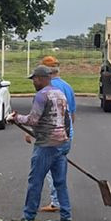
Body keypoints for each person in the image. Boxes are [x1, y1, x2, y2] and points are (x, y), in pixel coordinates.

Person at [12, 65, 72, 221]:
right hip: (61, 142)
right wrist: (65, 139)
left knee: (35, 181)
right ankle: (66, 216)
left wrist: (16, 118)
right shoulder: (60, 94)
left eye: (35, 79)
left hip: (46, 144)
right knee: (60, 182)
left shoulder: (41, 95)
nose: (34, 82)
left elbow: (33, 120)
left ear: (43, 78)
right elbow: (67, 119)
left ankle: (29, 217)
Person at [39, 55, 76, 212]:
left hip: (52, 134)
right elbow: (72, 114)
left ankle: (56, 202)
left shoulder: (47, 89)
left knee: (48, 168)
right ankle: (62, 205)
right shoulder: (67, 87)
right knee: (59, 167)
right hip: (67, 132)